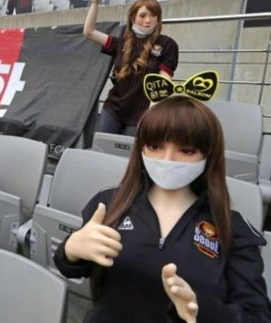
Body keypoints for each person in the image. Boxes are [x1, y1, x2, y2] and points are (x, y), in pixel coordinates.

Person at [53, 95, 271, 322]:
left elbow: (257, 315)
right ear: (141, 149)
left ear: (208, 154)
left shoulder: (233, 229)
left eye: (185, 150)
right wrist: (70, 249)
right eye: (155, 147)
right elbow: (72, 267)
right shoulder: (109, 203)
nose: (167, 159)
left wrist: (204, 311)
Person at [84, 0, 179, 135]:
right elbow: (89, 32)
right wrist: (95, 2)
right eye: (142, 15)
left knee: (128, 156)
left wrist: (151, 116)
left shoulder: (167, 45)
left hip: (142, 114)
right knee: (102, 150)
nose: (148, 20)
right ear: (133, 17)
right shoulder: (122, 40)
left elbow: (162, 86)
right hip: (113, 110)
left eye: (154, 15)